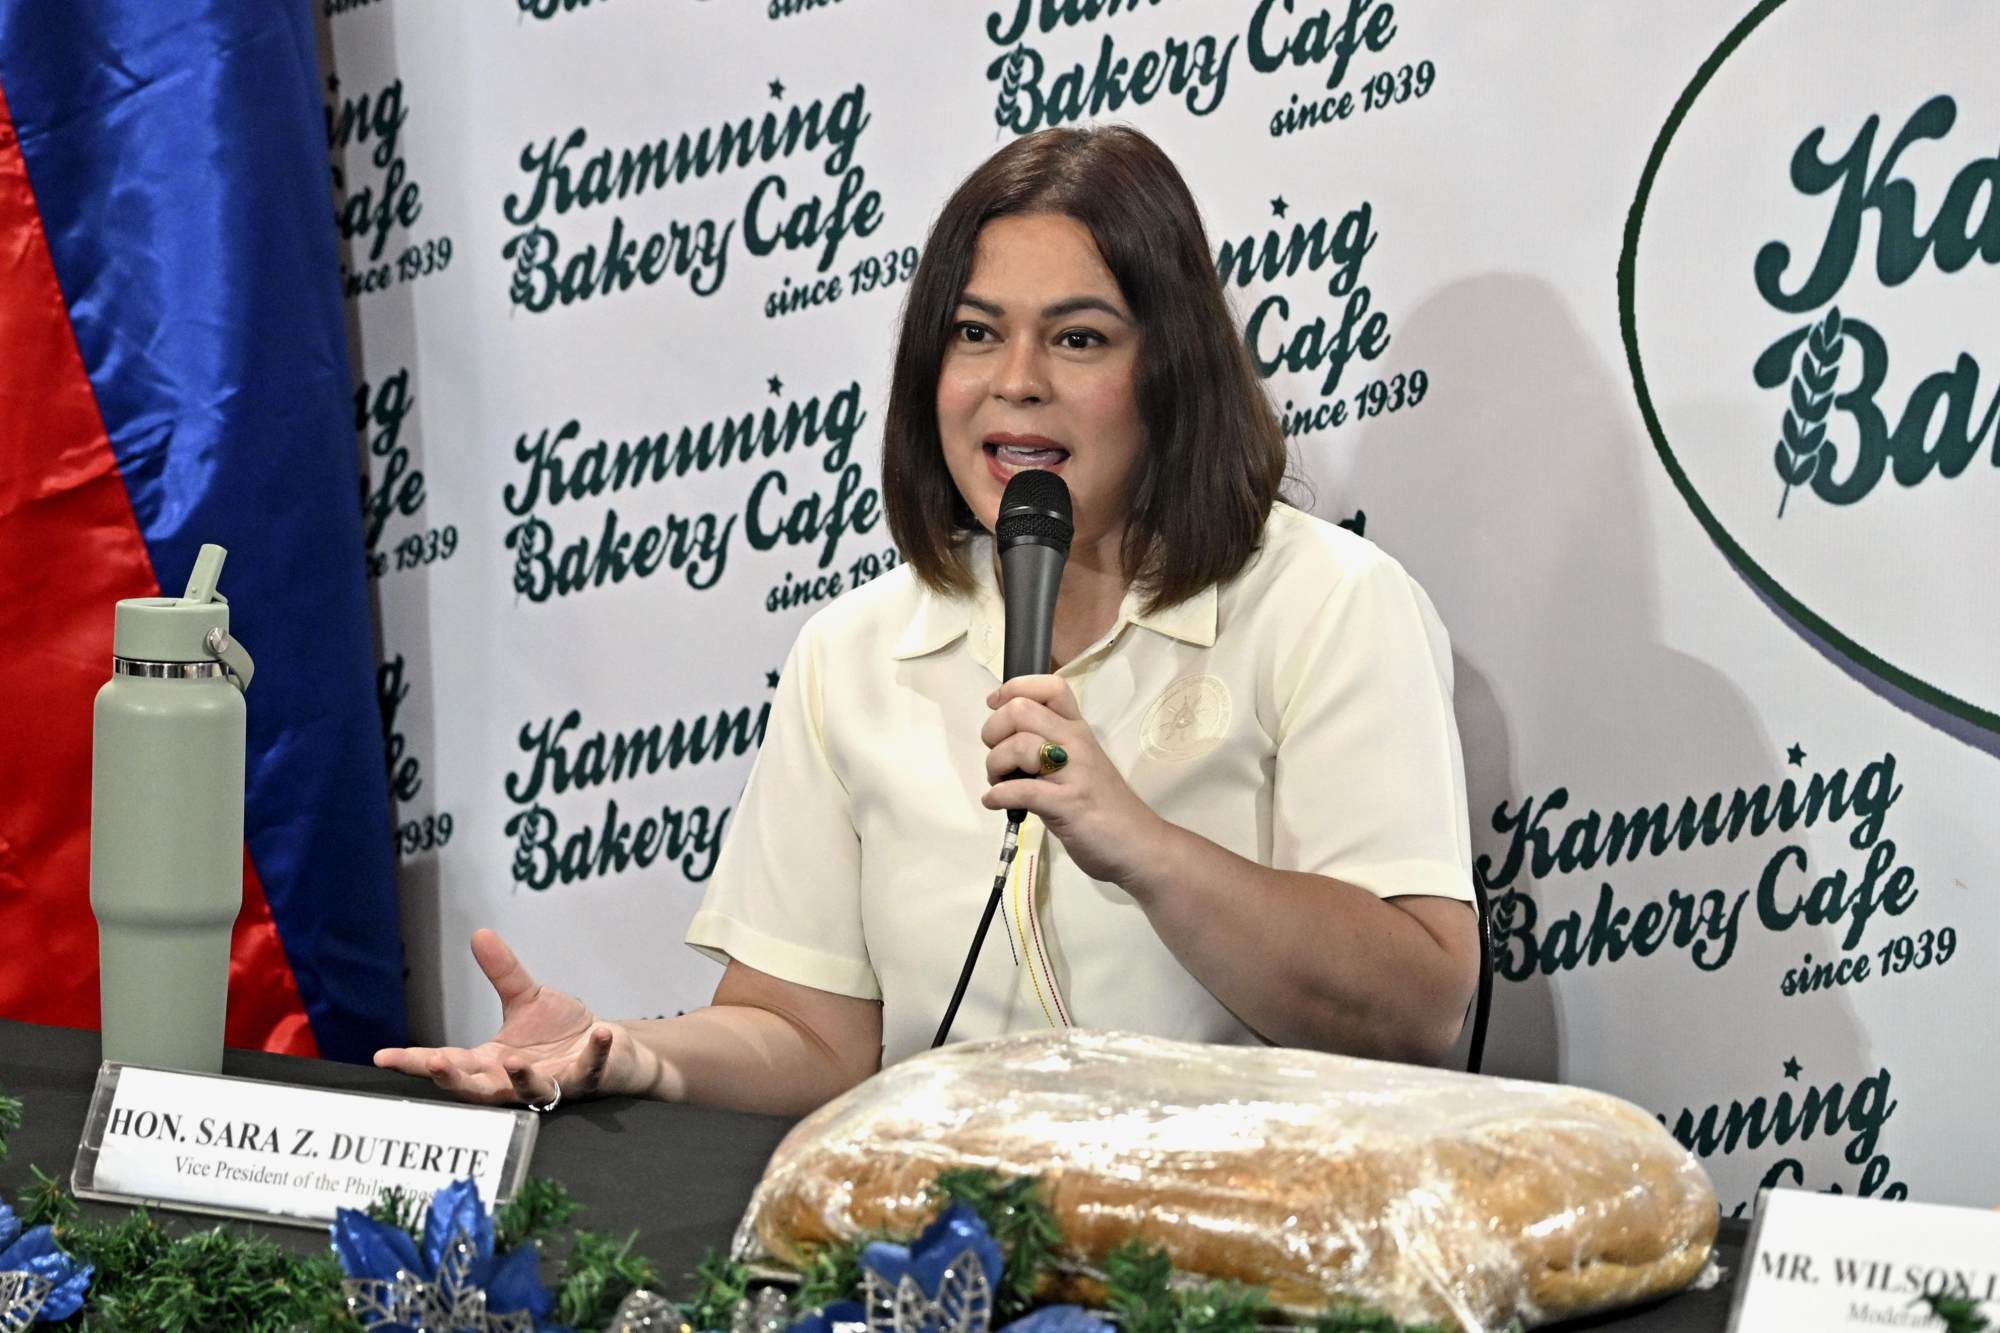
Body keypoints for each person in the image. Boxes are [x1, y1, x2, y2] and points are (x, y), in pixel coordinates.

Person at [375, 125, 1479, 1117]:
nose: (1016, 382)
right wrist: (627, 1055)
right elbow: (808, 1035)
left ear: (1171, 371)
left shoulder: (1325, 600)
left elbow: (1418, 1004)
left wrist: (1140, 846)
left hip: (1241, 1236)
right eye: (974, 333)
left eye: (1078, 339)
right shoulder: (853, 652)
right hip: (951, 1239)